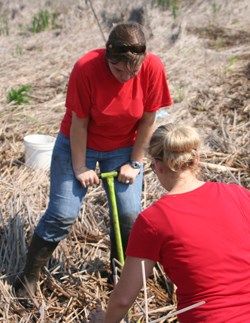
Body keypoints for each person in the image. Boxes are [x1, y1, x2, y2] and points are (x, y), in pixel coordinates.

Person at [13, 22, 172, 303]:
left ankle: (119, 273)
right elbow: (79, 124)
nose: (125, 77)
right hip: (79, 143)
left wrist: (135, 164)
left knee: (129, 215)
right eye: (118, 70)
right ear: (107, 57)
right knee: (62, 213)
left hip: (124, 147)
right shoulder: (86, 68)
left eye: (132, 71)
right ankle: (29, 276)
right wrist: (80, 168)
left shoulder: (153, 68)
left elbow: (149, 120)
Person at [89, 123, 250, 323]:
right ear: (196, 160)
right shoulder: (238, 194)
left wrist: (105, 321)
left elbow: (123, 299)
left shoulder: (153, 220)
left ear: (157, 165)